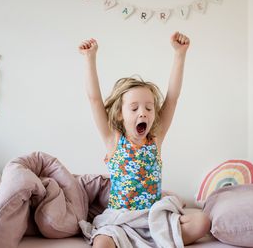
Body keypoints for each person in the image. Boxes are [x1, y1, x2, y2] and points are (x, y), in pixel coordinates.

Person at [78, 32, 210, 248]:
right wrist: (89, 58)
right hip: (121, 221)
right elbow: (94, 100)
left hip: (153, 219)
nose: (144, 113)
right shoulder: (114, 140)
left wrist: (179, 54)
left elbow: (172, 100)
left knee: (201, 221)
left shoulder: (155, 141)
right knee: (101, 243)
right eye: (134, 108)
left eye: (149, 108)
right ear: (120, 114)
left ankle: (153, 240)